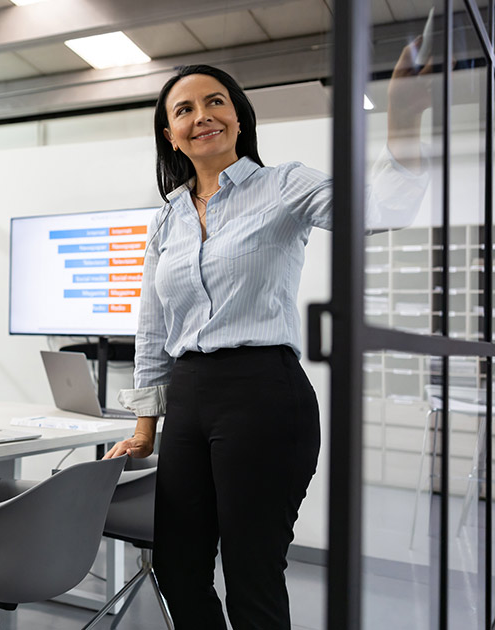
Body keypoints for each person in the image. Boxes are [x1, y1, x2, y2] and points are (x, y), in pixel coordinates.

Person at [105, 52, 430, 630]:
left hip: (262, 392)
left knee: (253, 578)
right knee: (179, 571)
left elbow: (378, 212)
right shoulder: (167, 218)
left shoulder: (284, 185)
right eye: (185, 109)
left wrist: (403, 121)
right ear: (170, 134)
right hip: (188, 396)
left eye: (215, 102)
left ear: (238, 116)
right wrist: (144, 426)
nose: (201, 115)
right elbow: (153, 325)